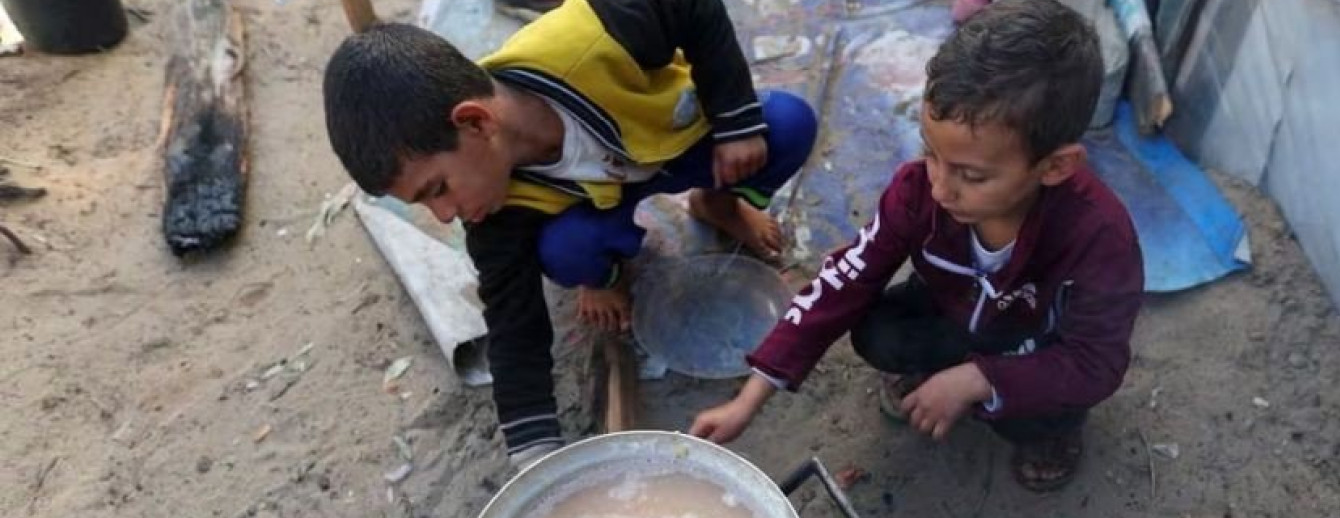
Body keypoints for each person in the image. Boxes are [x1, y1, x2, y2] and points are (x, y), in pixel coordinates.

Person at [322, 0, 818, 467]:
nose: (445, 215)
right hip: (600, 200)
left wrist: (735, 122)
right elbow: (512, 321)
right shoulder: (492, 214)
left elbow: (693, 7)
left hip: (668, 140)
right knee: (567, 252)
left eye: (438, 189)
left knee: (786, 125)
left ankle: (717, 202)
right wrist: (533, 454)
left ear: (474, 122)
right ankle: (606, 275)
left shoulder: (598, 35)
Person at [690, 0, 1143, 492]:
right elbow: (846, 279)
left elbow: (1097, 362)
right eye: (931, 153)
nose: (942, 188)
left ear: (1054, 167)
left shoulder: (1099, 237)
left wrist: (980, 379)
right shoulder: (918, 190)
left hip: (1031, 344)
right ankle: (943, 372)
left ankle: (1046, 432)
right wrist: (750, 396)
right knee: (877, 330)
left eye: (971, 175)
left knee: (1038, 412)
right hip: (952, 308)